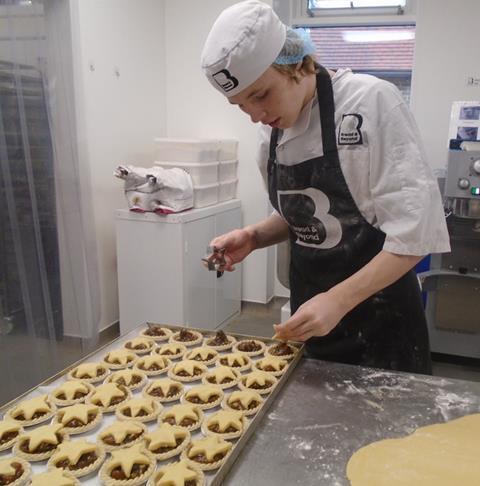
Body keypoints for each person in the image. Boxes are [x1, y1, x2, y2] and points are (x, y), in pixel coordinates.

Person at [200, 1, 450, 373]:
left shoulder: (371, 104)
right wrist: (253, 236)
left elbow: (415, 237)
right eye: (240, 105)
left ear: (297, 65)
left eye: (260, 94)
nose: (255, 115)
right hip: (312, 324)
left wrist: (337, 300)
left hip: (384, 328)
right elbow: (301, 214)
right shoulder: (270, 136)